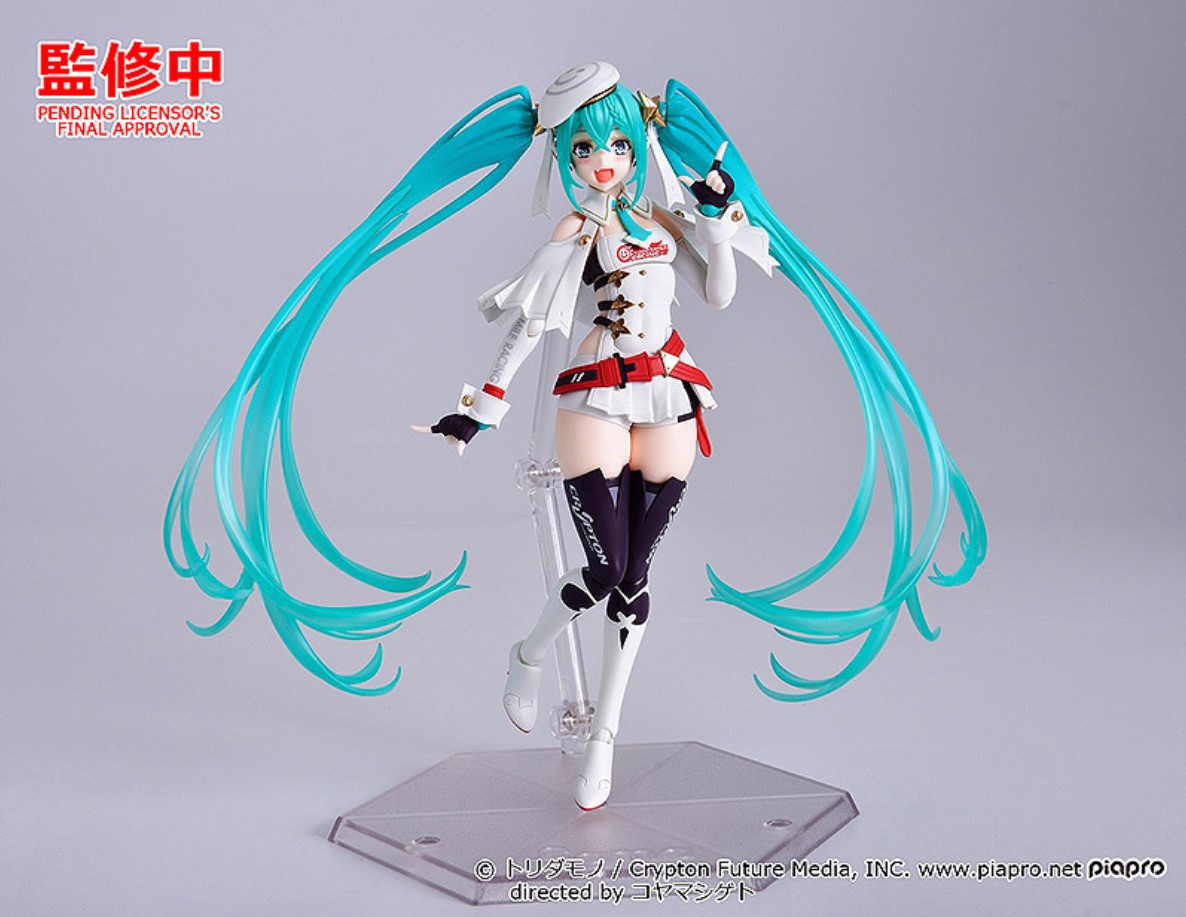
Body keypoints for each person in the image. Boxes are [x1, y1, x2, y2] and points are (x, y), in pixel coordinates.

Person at [165, 62, 986, 810]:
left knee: (634, 577)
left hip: (671, 392)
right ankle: (530, 656)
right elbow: (530, 322)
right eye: (586, 147)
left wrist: (716, 226)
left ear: (638, 148)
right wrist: (483, 405)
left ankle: (603, 735)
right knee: (604, 568)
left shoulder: (662, 219)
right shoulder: (573, 234)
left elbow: (719, 293)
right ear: (563, 153)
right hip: (594, 393)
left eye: (619, 145)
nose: (603, 161)